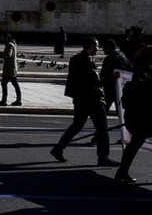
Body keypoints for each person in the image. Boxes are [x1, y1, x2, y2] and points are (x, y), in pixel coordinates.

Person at [50, 36, 118, 166]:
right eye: (97, 46)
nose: (98, 48)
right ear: (91, 46)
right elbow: (95, 82)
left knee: (77, 124)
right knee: (102, 128)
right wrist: (111, 77)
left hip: (80, 98)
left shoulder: (75, 59)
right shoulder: (88, 61)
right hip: (93, 99)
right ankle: (103, 157)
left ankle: (59, 148)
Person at [114, 44, 152, 184]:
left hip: (144, 117)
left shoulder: (151, 70)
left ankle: (122, 172)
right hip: (142, 118)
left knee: (137, 144)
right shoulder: (143, 72)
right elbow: (143, 90)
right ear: (151, 57)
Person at [0, 33, 22, 106]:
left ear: (7, 37)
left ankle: (4, 100)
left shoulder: (9, 45)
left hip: (9, 68)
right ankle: (18, 99)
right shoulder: (12, 44)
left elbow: (8, 55)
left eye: (4, 38)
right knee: (14, 83)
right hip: (11, 68)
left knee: (4, 83)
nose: (3, 40)